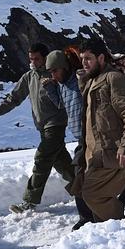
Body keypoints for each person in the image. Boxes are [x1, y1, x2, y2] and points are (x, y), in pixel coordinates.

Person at [70, 38, 125, 222]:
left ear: (101, 58)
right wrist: (83, 78)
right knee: (91, 194)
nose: (84, 62)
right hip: (96, 154)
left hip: (114, 154)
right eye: (82, 58)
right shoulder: (92, 80)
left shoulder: (114, 79)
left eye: (88, 58)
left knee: (92, 193)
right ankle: (110, 234)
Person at [0, 43, 75, 213]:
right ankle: (87, 187)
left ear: (45, 58)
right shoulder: (29, 77)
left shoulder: (55, 74)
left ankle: (29, 201)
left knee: (42, 159)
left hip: (56, 124)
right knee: (63, 163)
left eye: (37, 58)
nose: (34, 62)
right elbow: (15, 97)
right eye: (31, 59)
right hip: (42, 127)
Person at [44, 49, 93, 230]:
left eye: (54, 71)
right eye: (50, 72)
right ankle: (89, 215)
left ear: (64, 68)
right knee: (81, 176)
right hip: (81, 137)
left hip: (93, 136)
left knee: (80, 176)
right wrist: (50, 88)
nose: (53, 75)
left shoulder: (79, 80)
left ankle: (87, 217)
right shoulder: (62, 85)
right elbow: (61, 104)